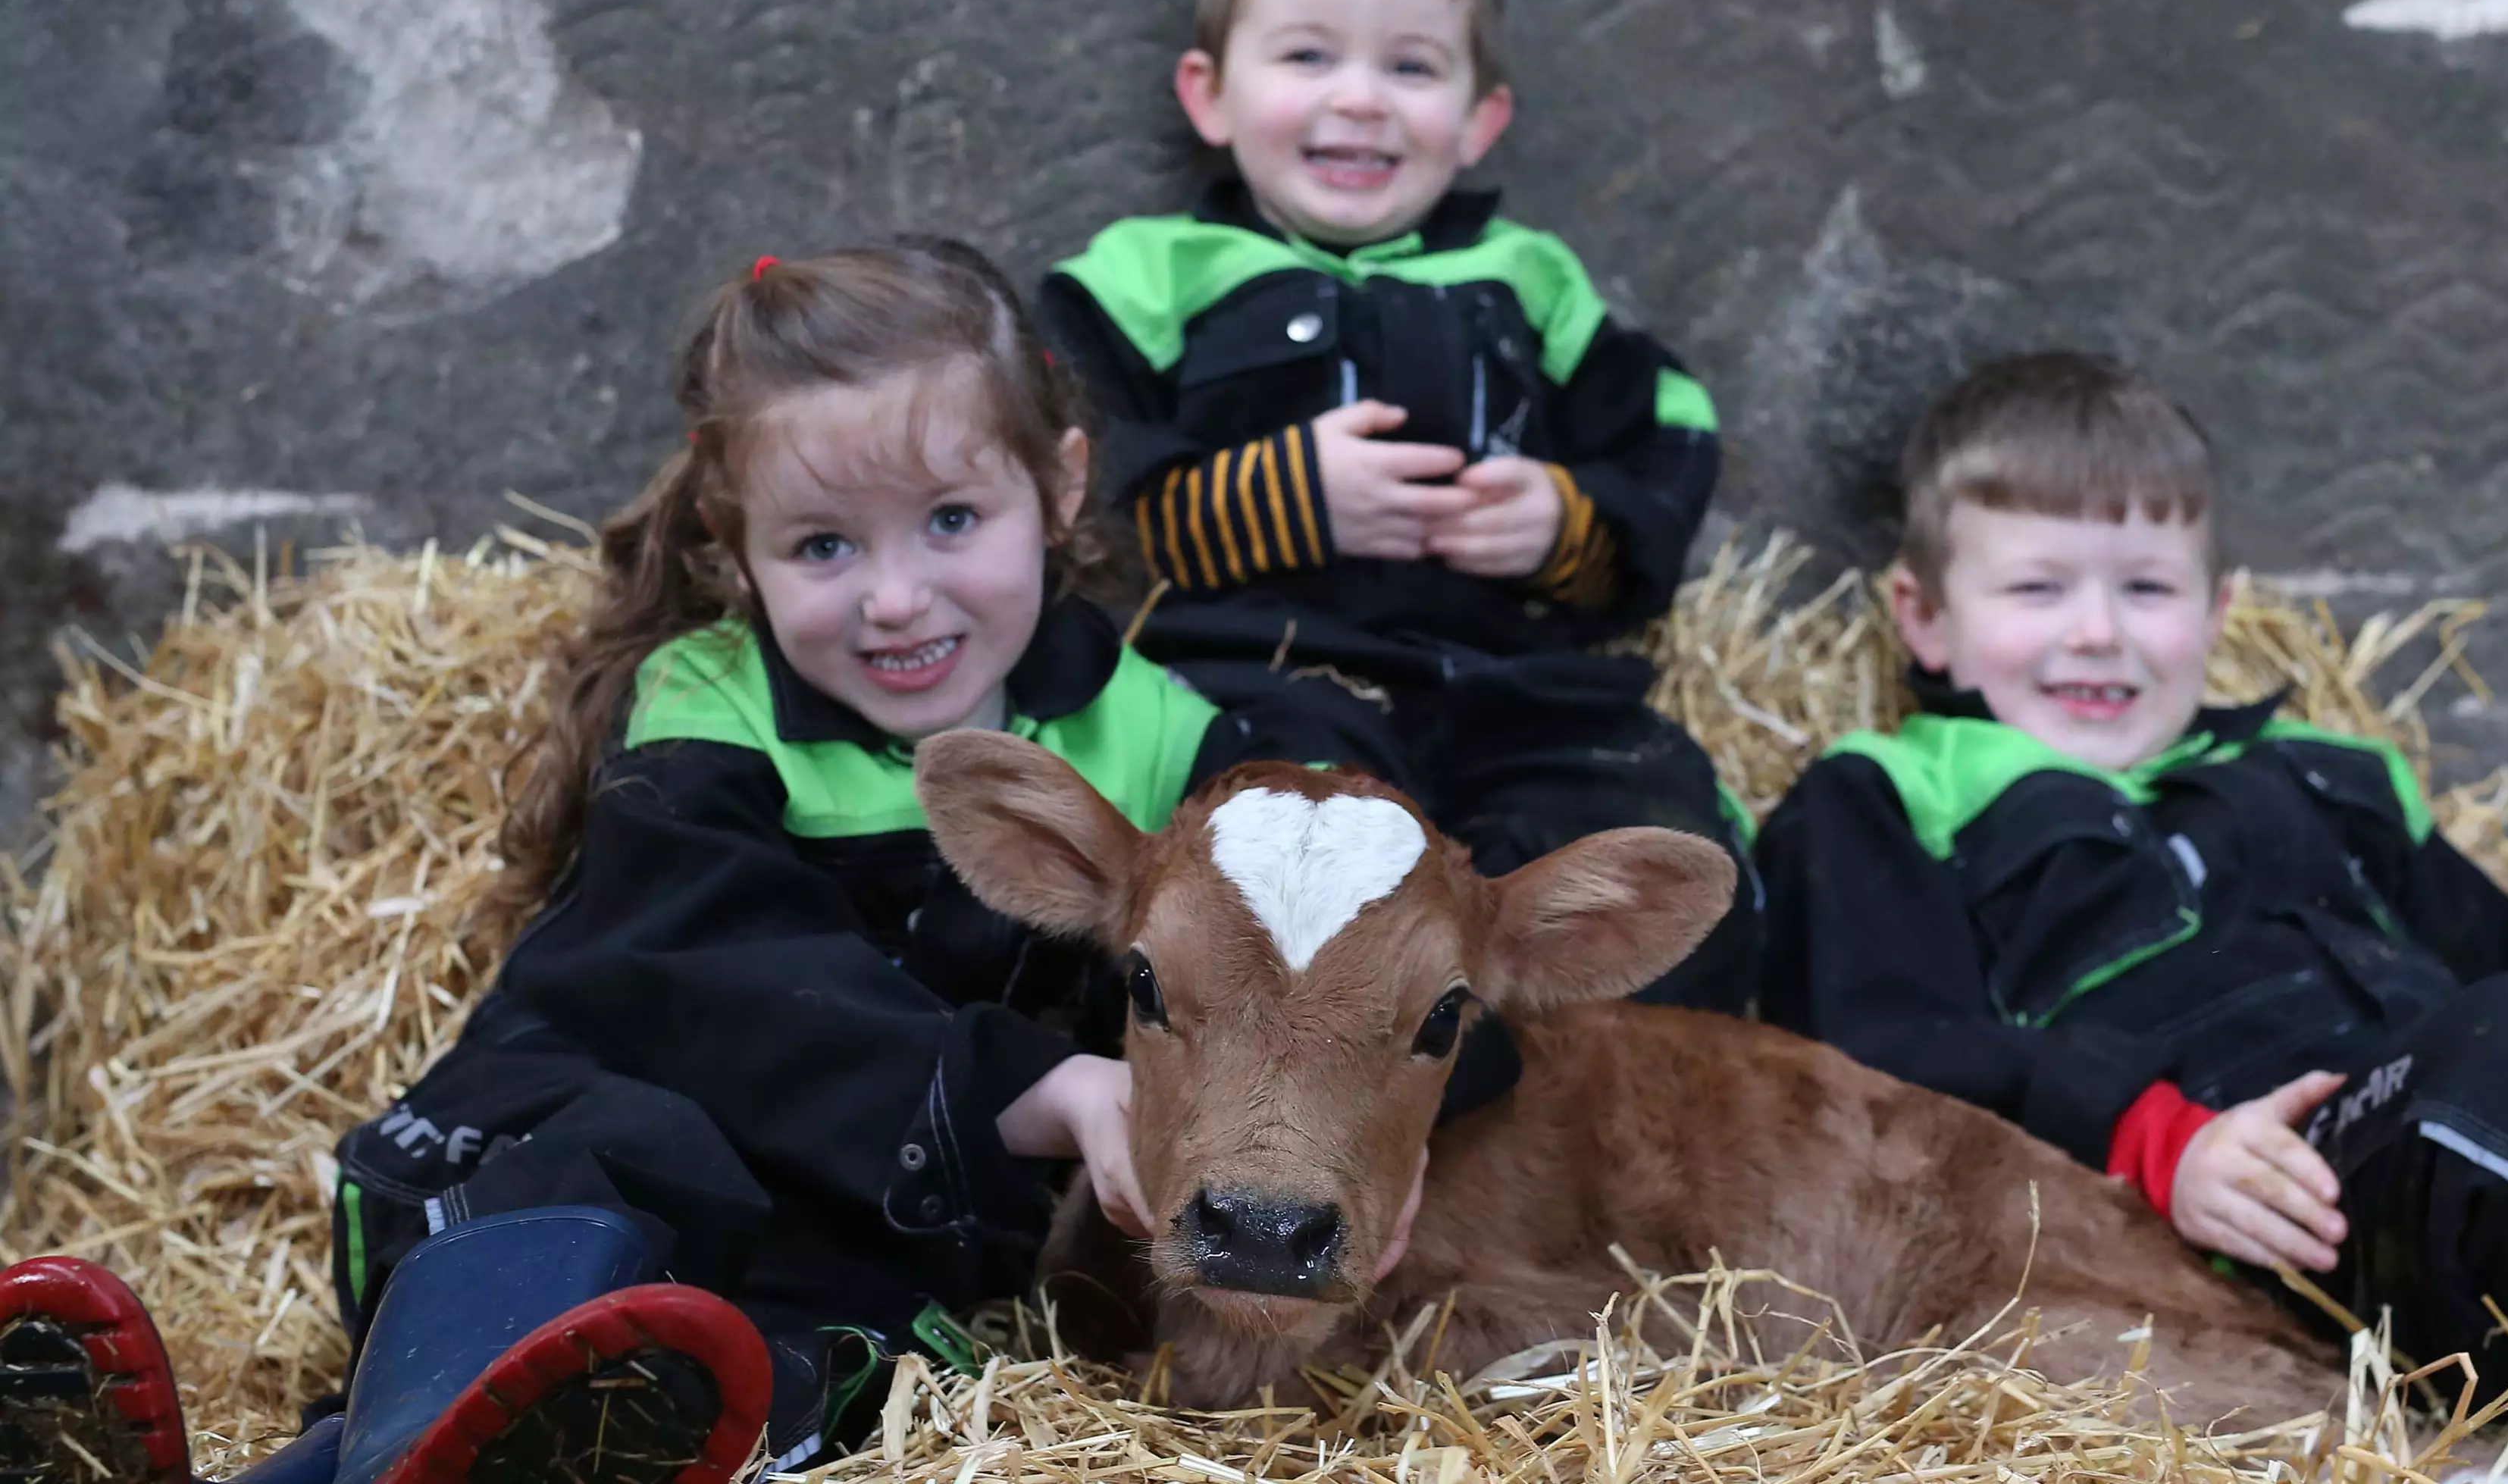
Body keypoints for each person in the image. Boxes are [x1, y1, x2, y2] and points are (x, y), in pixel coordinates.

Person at [0, 240, 1453, 1483]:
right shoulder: (712, 700)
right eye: (824, 546)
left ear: (1062, 489)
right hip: (591, 1147)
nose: (896, 600)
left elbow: (1354, 941)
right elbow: (692, 959)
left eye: (952, 522)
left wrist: (1375, 1144)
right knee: (591, 1253)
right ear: (731, 539)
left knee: (785, 1374)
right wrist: (1038, 1081)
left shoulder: (1151, 736)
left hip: (863, 1237)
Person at [1757, 352, 2508, 1470]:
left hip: (2490, 1144)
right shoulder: (1884, 794)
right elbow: (1876, 1058)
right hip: (2283, 1223)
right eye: (2038, 588)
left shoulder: (2329, 770)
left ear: (2219, 614)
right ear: (1924, 615)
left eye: (2146, 589)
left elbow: (2503, 962)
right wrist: (2154, 1138)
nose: (2098, 631)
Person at [1035, 0, 1758, 1013]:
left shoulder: (1532, 284)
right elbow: (1070, 476)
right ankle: (1331, 1111)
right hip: (1272, 678)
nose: (1361, 98)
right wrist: (1284, 498)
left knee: (1652, 822)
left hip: (1517, 686)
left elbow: (1671, 432)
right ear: (1209, 94)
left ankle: (1557, 1117)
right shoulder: (1142, 278)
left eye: (1411, 67)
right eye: (1309, 57)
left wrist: (1563, 526)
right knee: (1274, 862)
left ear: (1480, 120)